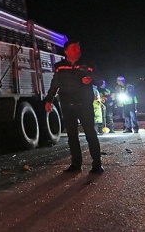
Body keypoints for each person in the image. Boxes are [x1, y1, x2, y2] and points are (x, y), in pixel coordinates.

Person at [44, 40, 104, 174]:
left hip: (85, 105)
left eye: (78, 47)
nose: (77, 50)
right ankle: (76, 164)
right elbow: (55, 84)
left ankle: (97, 164)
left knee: (90, 134)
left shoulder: (88, 64)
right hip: (67, 105)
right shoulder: (60, 67)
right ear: (66, 51)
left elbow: (101, 81)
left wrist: (91, 80)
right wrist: (49, 100)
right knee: (72, 136)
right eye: (74, 48)